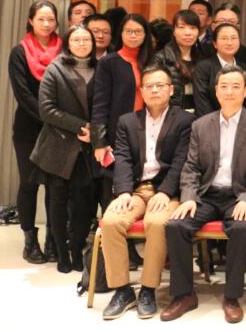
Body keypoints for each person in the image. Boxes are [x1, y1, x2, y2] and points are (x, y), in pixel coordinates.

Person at [162, 65, 246, 324]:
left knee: (241, 228)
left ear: (245, 91)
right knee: (176, 225)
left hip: (240, 195)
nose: (229, 92)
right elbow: (191, 166)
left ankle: (232, 297)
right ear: (216, 91)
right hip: (207, 194)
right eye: (224, 86)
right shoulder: (201, 125)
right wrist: (189, 197)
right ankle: (184, 295)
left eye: (236, 87)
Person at [99, 65, 194, 320]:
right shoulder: (127, 121)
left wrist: (165, 192)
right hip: (136, 190)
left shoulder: (184, 121)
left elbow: (182, 161)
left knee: (157, 223)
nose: (154, 90)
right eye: (149, 86)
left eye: (160, 85)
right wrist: (123, 192)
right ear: (141, 91)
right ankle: (122, 290)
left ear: (171, 90)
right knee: (111, 221)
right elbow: (123, 159)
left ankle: (148, 290)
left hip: (168, 192)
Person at [33, 24, 97, 273]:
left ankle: (77, 250)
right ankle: (61, 253)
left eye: (86, 39)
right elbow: (46, 109)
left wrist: (95, 133)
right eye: (76, 39)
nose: (82, 44)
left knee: (83, 204)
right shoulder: (55, 68)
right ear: (68, 43)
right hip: (58, 145)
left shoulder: (101, 68)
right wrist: (82, 126)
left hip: (88, 148)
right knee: (57, 202)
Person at [8, 0, 61, 264]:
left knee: (55, 185)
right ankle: (30, 240)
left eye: (51, 19)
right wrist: (50, 116)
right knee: (29, 183)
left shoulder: (64, 50)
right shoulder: (19, 52)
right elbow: (23, 94)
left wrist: (60, 120)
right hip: (29, 127)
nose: (46, 24)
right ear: (31, 20)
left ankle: (53, 237)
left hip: (59, 129)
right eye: (41, 19)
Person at [91, 13, 155, 211]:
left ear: (145, 35)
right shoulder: (109, 62)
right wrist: (99, 141)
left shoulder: (153, 63)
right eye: (129, 31)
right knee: (113, 191)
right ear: (121, 33)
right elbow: (100, 104)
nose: (133, 35)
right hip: (117, 134)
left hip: (149, 133)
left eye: (138, 31)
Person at [150, 9, 206, 112]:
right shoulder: (161, 58)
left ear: (198, 32)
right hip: (171, 116)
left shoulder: (203, 58)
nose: (187, 33)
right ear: (174, 31)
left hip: (198, 117)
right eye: (181, 27)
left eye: (192, 28)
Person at [192, 22, 242, 117]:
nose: (229, 43)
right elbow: (202, 102)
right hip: (209, 121)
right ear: (215, 44)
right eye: (224, 38)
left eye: (234, 38)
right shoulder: (203, 67)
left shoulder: (245, 68)